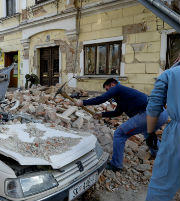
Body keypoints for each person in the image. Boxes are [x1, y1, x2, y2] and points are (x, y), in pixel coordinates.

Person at [76, 78, 168, 172]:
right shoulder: (122, 96)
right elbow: (118, 112)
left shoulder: (118, 88)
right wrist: (102, 114)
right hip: (162, 113)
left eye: (107, 89)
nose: (108, 92)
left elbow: (102, 98)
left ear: (112, 85)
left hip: (149, 114)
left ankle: (116, 165)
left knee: (119, 133)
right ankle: (160, 155)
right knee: (148, 133)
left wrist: (83, 102)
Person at [145, 62, 180, 201]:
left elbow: (153, 106)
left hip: (177, 134)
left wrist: (150, 132)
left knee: (162, 184)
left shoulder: (171, 74)